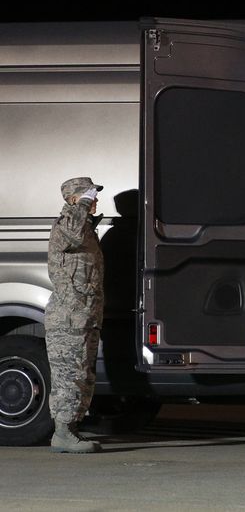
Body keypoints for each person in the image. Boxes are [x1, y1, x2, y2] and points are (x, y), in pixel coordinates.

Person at [45, 177, 105, 453]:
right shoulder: (67, 225)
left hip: (85, 316)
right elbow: (75, 233)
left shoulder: (84, 227)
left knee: (83, 372)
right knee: (69, 373)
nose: (94, 200)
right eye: (89, 195)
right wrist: (81, 204)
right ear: (73, 199)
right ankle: (63, 433)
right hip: (68, 317)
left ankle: (72, 429)